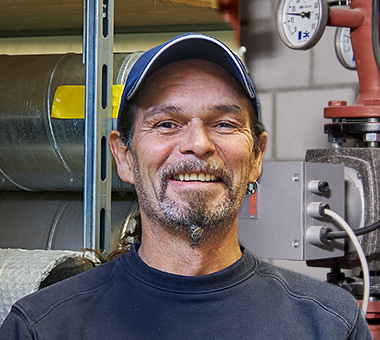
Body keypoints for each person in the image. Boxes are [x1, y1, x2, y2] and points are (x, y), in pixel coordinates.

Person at [0, 33, 373, 339]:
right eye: (167, 124)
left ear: (257, 156)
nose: (198, 143)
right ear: (124, 156)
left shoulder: (328, 325)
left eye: (224, 124)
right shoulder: (44, 327)